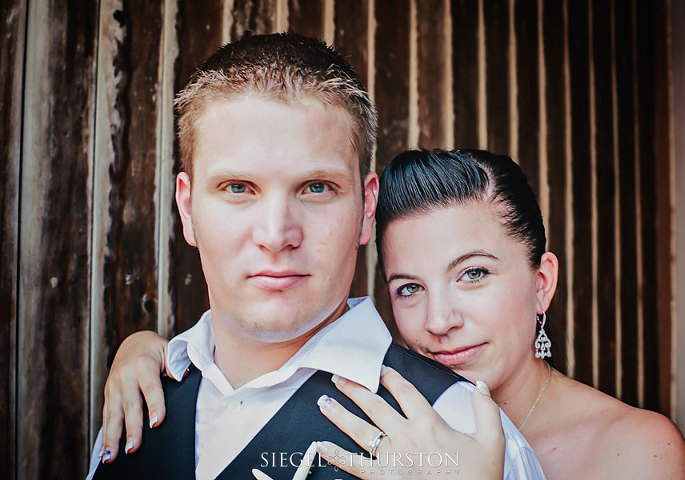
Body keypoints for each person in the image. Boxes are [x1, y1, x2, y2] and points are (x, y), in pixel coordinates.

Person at [87, 34, 543, 480]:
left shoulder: (461, 429)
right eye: (238, 188)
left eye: (316, 188)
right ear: (187, 210)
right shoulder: (135, 406)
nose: (275, 235)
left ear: (367, 210)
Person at [104, 149, 685, 479]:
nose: (439, 320)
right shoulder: (370, 419)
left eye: (473, 274)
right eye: (409, 288)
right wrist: (152, 350)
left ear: (542, 284)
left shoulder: (636, 449)